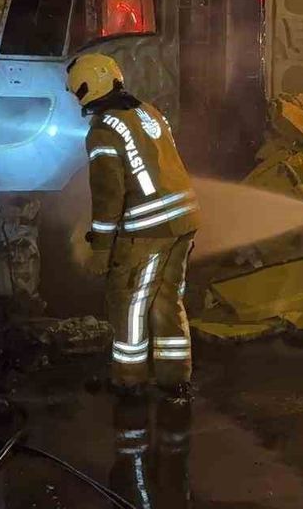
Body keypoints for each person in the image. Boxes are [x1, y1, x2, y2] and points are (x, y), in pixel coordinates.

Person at [67, 54, 199, 397]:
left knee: (129, 303)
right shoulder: (148, 111)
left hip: (148, 230)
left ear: (84, 89)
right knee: (167, 300)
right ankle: (175, 380)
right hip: (184, 218)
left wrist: (100, 249)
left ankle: (128, 383)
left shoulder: (103, 130)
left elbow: (109, 196)